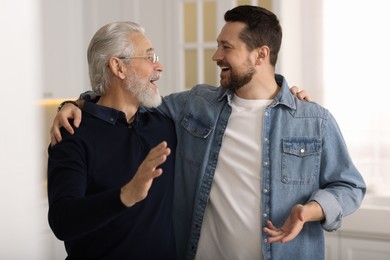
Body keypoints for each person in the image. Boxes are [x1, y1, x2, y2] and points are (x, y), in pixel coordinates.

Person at [50, 5, 366, 260]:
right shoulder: (194, 107)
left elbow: (349, 185)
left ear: (260, 55)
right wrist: (76, 103)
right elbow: (119, 104)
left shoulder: (312, 119)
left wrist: (310, 210)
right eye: (217, 45)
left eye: (226, 47)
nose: (215, 56)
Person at [47, 22, 177, 259]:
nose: (159, 66)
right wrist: (126, 195)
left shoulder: (165, 125)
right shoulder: (73, 132)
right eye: (149, 57)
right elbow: (62, 220)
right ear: (118, 66)